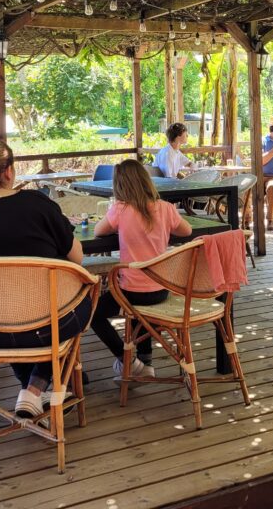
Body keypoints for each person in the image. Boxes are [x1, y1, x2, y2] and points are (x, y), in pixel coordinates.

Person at [0, 139, 89, 419]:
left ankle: (35, 391)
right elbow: (77, 260)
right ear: (9, 172)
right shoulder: (38, 206)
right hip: (46, 327)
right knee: (85, 296)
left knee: (15, 317)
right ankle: (35, 389)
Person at [90, 159, 192, 379]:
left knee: (93, 312)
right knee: (140, 298)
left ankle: (127, 359)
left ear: (120, 186)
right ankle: (145, 362)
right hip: (161, 288)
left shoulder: (121, 209)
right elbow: (186, 231)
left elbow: (98, 231)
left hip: (132, 292)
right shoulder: (165, 208)